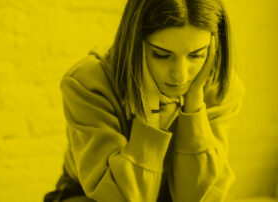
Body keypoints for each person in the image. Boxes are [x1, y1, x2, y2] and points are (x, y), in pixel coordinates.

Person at [44, 0, 245, 201]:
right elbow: (119, 197)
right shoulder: (88, 84)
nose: (181, 76)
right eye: (161, 55)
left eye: (196, 55)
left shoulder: (220, 88)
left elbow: (197, 196)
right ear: (133, 42)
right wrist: (148, 112)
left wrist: (193, 106)